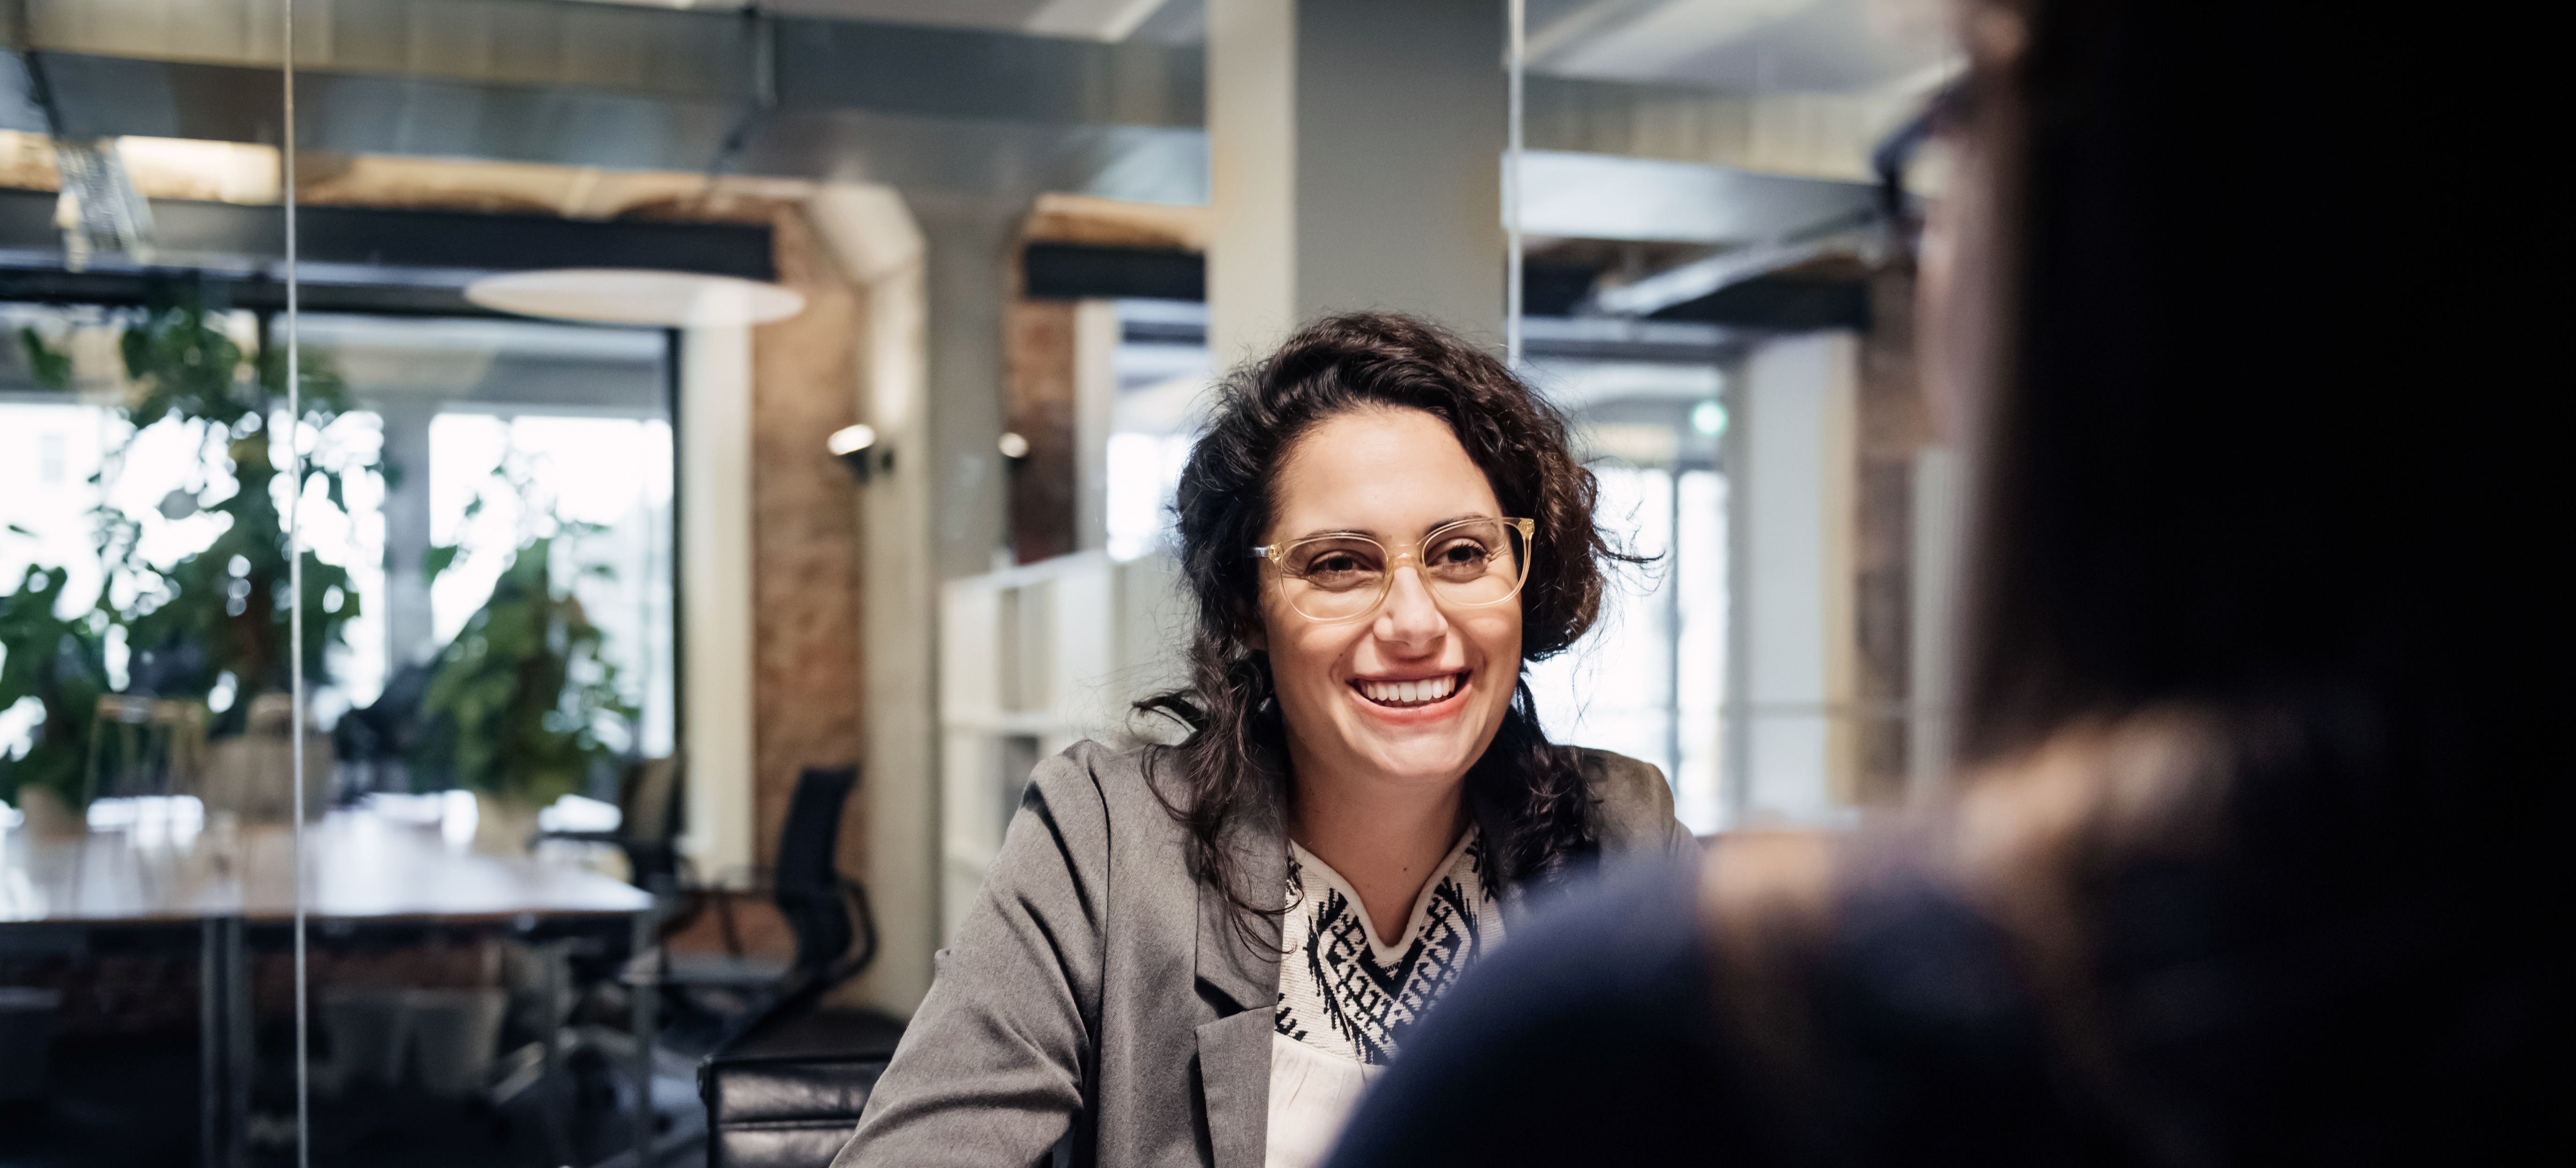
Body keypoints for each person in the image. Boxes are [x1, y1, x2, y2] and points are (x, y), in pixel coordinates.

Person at [1320, 0, 2553, 1165]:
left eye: (1959, 121)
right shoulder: (1138, 855)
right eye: (1337, 563)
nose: (1413, 617)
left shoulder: (1669, 1039)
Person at [834, 312, 1695, 1168]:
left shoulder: (1625, 833)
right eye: (1339, 564)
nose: (1413, 621)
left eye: (1462, 553)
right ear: (1248, 605)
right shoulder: (1103, 842)